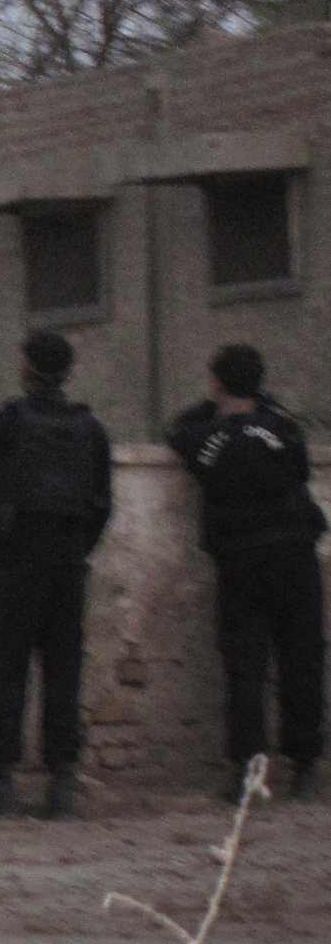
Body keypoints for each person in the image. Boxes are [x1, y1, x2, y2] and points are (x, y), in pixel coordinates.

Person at [0, 329, 113, 820]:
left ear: (27, 369)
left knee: (5, 668)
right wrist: (71, 547)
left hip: (16, 561)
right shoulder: (89, 427)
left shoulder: (9, 421)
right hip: (67, 564)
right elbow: (101, 506)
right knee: (64, 669)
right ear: (68, 373)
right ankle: (62, 783)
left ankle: (2, 781)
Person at [164, 344, 325, 803]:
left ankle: (250, 771)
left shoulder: (203, 435)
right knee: (302, 657)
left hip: (239, 557)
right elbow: (299, 470)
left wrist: (216, 405)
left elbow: (174, 430)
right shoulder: (284, 428)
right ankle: (306, 767)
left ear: (216, 382)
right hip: (293, 553)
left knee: (245, 664)